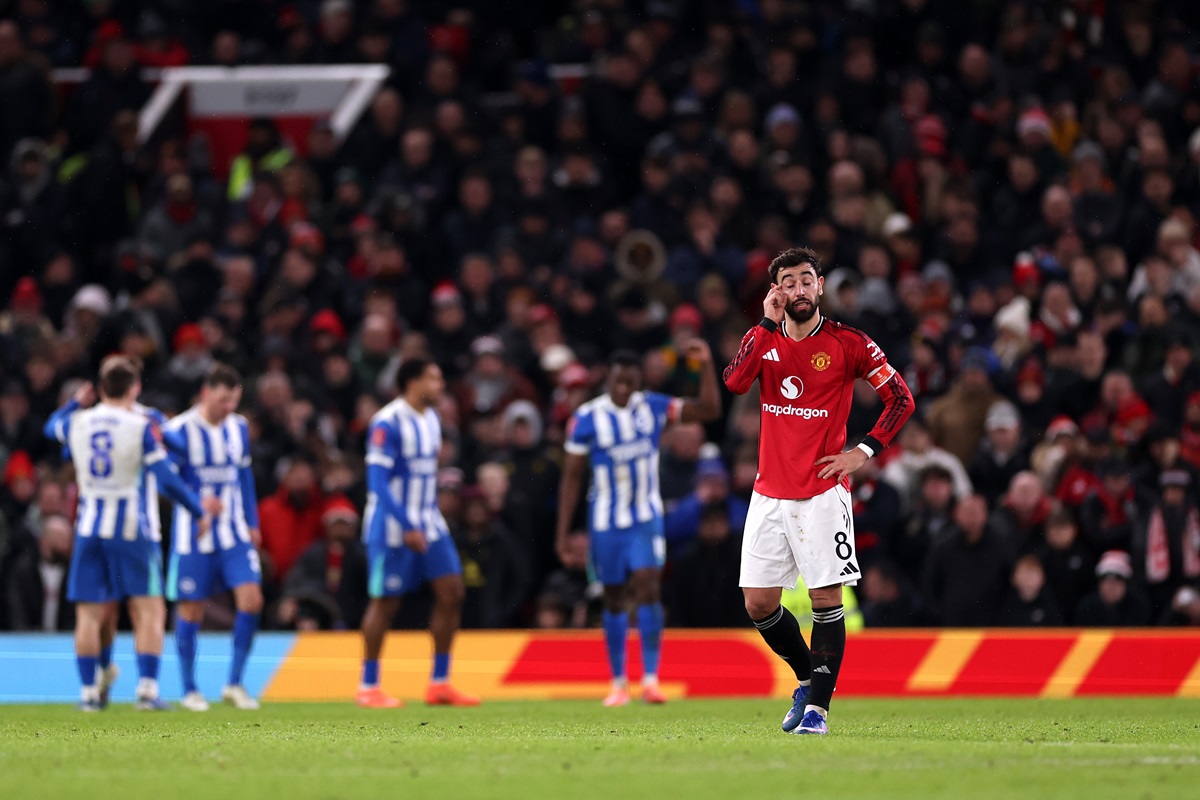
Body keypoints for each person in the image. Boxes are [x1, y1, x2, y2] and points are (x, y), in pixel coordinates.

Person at [723, 246, 914, 735]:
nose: (799, 289)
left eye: (806, 280)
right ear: (777, 291)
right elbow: (736, 383)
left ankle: (818, 712)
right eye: (788, 282)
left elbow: (900, 398)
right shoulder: (763, 339)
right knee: (758, 603)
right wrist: (765, 323)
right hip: (769, 493)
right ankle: (808, 680)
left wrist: (863, 451)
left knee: (826, 599)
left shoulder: (849, 343)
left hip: (822, 493)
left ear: (821, 286)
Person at [43, 356, 218, 711]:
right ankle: (148, 690)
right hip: (132, 527)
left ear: (100, 388)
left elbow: (51, 428)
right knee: (149, 607)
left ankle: (88, 694)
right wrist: (198, 509)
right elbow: (167, 476)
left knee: (89, 614)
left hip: (89, 526)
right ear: (135, 388)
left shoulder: (79, 421)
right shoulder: (141, 425)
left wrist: (75, 402)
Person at [556, 343, 721, 706]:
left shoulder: (653, 407)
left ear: (638, 382)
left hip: (645, 518)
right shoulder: (587, 418)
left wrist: (706, 365)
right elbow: (571, 477)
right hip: (606, 522)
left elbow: (709, 410)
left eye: (630, 383)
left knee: (648, 585)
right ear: (609, 380)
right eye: (618, 381)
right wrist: (563, 534)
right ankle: (618, 682)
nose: (624, 388)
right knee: (614, 596)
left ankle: (650, 679)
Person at [357, 358, 478, 708]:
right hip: (392, 525)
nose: (441, 385)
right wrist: (407, 524)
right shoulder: (387, 422)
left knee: (452, 592)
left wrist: (423, 519)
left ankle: (439, 683)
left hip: (430, 520)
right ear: (413, 382)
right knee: (386, 603)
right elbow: (377, 482)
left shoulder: (432, 419)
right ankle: (368, 685)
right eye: (434, 379)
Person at [163, 364, 264, 711]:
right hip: (193, 535)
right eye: (223, 400)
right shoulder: (179, 430)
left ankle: (234, 683)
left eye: (234, 401)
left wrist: (252, 521)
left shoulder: (239, 427)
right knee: (191, 608)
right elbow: (167, 482)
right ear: (206, 393)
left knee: (252, 600)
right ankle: (189, 688)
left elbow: (244, 476)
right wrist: (197, 504)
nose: (229, 408)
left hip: (233, 532)